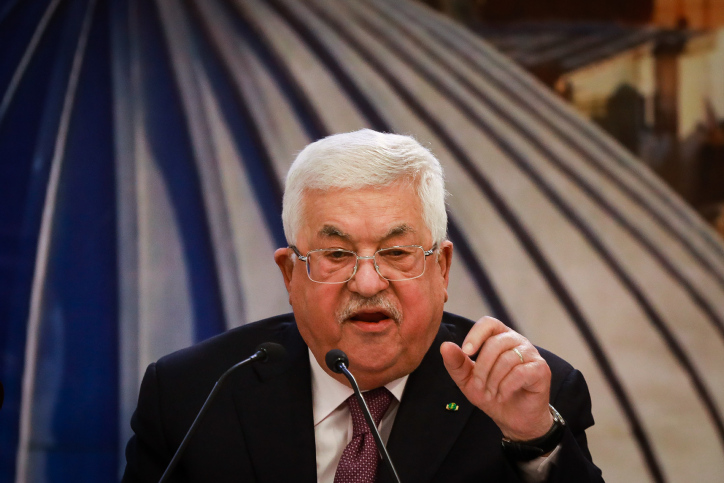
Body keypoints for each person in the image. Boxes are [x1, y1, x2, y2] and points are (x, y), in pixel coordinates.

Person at [123, 129, 604, 482]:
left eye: (396, 253)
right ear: (291, 274)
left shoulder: (524, 395)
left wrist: (533, 439)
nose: (368, 282)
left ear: (442, 269)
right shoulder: (192, 395)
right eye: (336, 254)